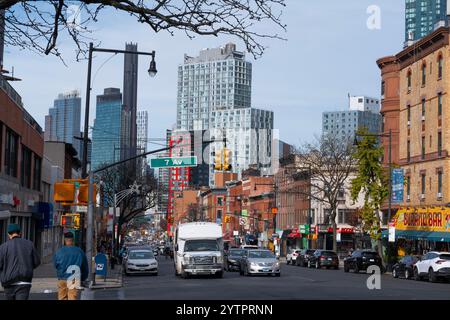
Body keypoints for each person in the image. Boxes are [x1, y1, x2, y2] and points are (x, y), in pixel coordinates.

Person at [0, 223, 41, 300]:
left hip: (8, 282)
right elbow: (37, 262)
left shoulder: (3, 247)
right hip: (24, 282)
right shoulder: (29, 244)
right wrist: (28, 265)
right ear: (20, 233)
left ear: (8, 234)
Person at [53, 232, 89, 300]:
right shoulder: (79, 251)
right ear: (73, 240)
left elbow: (55, 265)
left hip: (62, 277)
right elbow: (85, 267)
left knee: (62, 297)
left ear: (65, 240)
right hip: (73, 278)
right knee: (72, 297)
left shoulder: (59, 251)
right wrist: (83, 278)